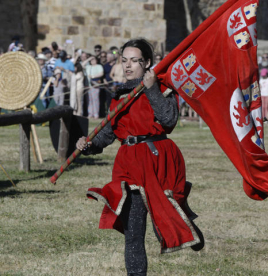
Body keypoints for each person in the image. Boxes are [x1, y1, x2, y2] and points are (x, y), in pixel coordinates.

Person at [75, 39, 204, 275]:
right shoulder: (118, 97)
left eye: (134, 61)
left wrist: (152, 88)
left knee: (160, 223)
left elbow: (168, 121)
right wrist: (88, 145)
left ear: (147, 64)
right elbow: (106, 135)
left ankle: (185, 225)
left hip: (157, 160)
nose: (127, 66)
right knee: (133, 232)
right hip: (129, 164)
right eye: (124, 60)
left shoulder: (164, 88)